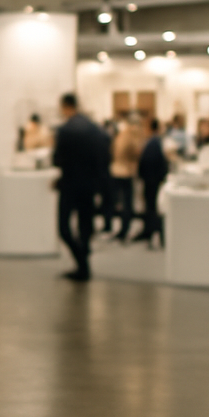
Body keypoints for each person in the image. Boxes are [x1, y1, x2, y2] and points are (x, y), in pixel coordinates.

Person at [53, 92, 109, 281]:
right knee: (85, 225)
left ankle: (81, 262)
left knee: (64, 227)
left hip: (70, 185)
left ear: (65, 106)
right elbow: (103, 158)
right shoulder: (95, 129)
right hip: (89, 185)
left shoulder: (65, 130)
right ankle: (84, 263)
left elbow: (59, 160)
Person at [135, 118, 169, 247]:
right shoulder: (154, 142)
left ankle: (154, 234)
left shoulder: (153, 142)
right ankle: (150, 233)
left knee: (152, 209)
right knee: (151, 208)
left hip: (151, 181)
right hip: (151, 180)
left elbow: (150, 162)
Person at [109, 114, 143, 241]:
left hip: (116, 171)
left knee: (122, 203)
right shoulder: (130, 136)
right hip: (125, 172)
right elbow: (136, 152)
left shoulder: (121, 134)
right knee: (127, 204)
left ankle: (122, 229)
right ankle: (125, 230)